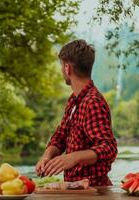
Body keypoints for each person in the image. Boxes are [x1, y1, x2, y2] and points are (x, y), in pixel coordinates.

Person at [35, 39, 117, 186]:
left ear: (67, 68)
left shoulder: (93, 102)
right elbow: (60, 136)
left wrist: (74, 157)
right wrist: (46, 157)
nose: (61, 70)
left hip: (95, 190)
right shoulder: (74, 100)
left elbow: (108, 148)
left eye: (61, 66)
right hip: (75, 188)